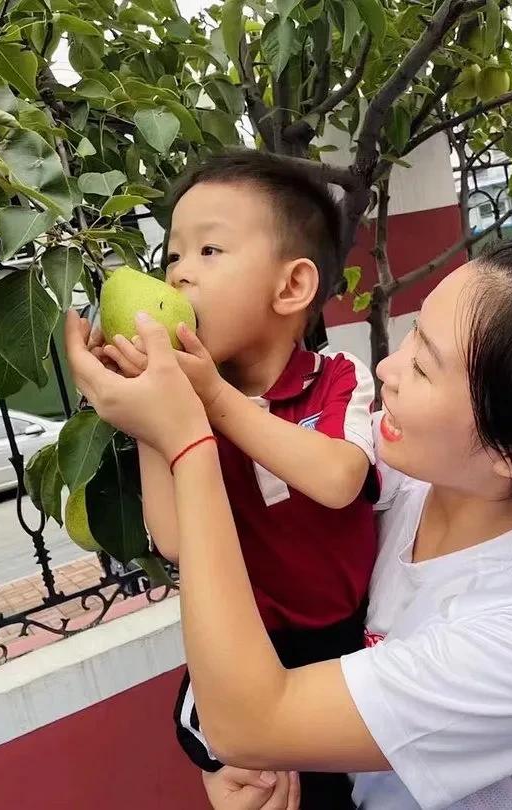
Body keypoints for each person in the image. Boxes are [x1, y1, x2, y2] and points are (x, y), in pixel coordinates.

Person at [66, 231, 512, 809]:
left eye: (426, 368)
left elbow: (249, 718)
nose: (388, 369)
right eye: (412, 336)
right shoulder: (398, 475)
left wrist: (186, 438)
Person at [87, 150, 377, 808]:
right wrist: (153, 416)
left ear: (291, 288)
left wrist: (214, 402)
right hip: (243, 648)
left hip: (344, 643)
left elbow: (336, 479)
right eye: (172, 257)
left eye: (210, 251)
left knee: (341, 786)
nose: (181, 273)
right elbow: (173, 539)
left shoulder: (337, 380)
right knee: (240, 764)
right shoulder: (190, 410)